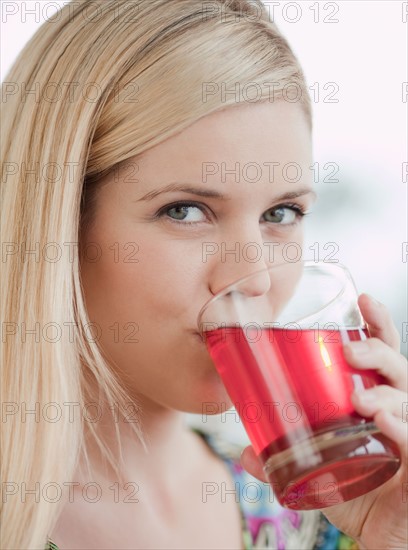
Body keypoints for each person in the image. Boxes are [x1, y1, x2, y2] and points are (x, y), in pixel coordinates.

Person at [1, 1, 406, 549]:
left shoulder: (306, 519)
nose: (255, 277)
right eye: (185, 211)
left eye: (280, 214)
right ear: (57, 228)